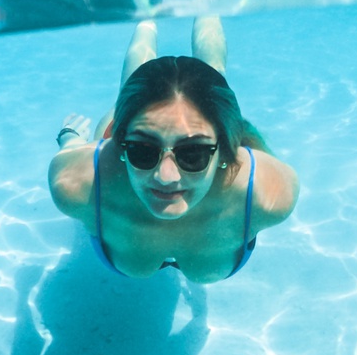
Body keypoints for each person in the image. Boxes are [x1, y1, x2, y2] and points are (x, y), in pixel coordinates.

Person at [49, 18, 298, 282]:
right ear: (121, 145)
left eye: (193, 154)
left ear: (225, 151)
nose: (165, 177)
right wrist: (70, 138)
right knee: (131, 90)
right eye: (142, 150)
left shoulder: (266, 196)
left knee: (214, 75)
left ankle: (204, 4)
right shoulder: (76, 185)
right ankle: (146, 19)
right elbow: (72, 155)